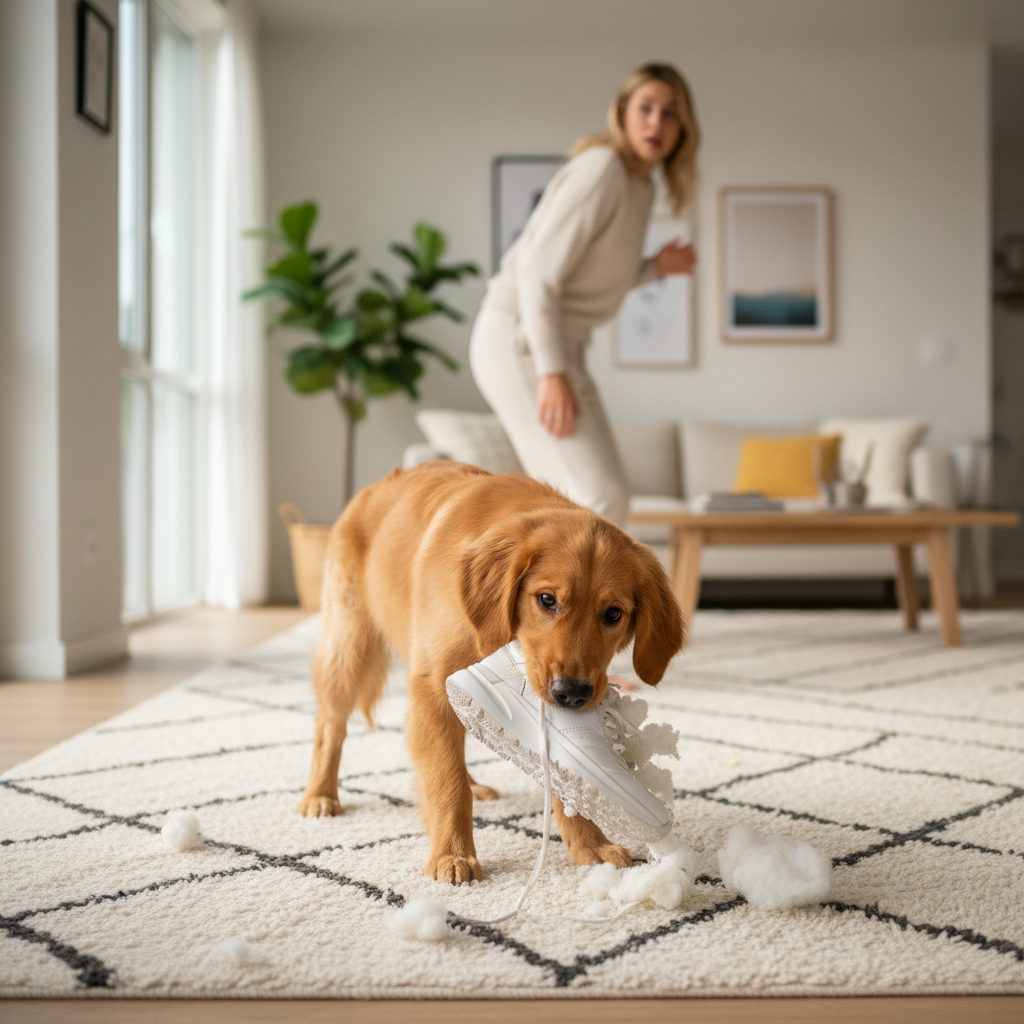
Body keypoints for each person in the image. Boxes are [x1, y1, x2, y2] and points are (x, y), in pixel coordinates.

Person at [469, 63, 701, 525]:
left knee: (593, 497)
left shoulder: (640, 187)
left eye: (670, 113)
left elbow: (593, 277)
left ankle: (527, 573)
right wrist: (551, 372)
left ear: (683, 127)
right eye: (646, 108)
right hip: (520, 336)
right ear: (622, 112)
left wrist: (655, 267)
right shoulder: (603, 170)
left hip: (561, 344)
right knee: (597, 497)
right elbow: (537, 272)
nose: (656, 122)